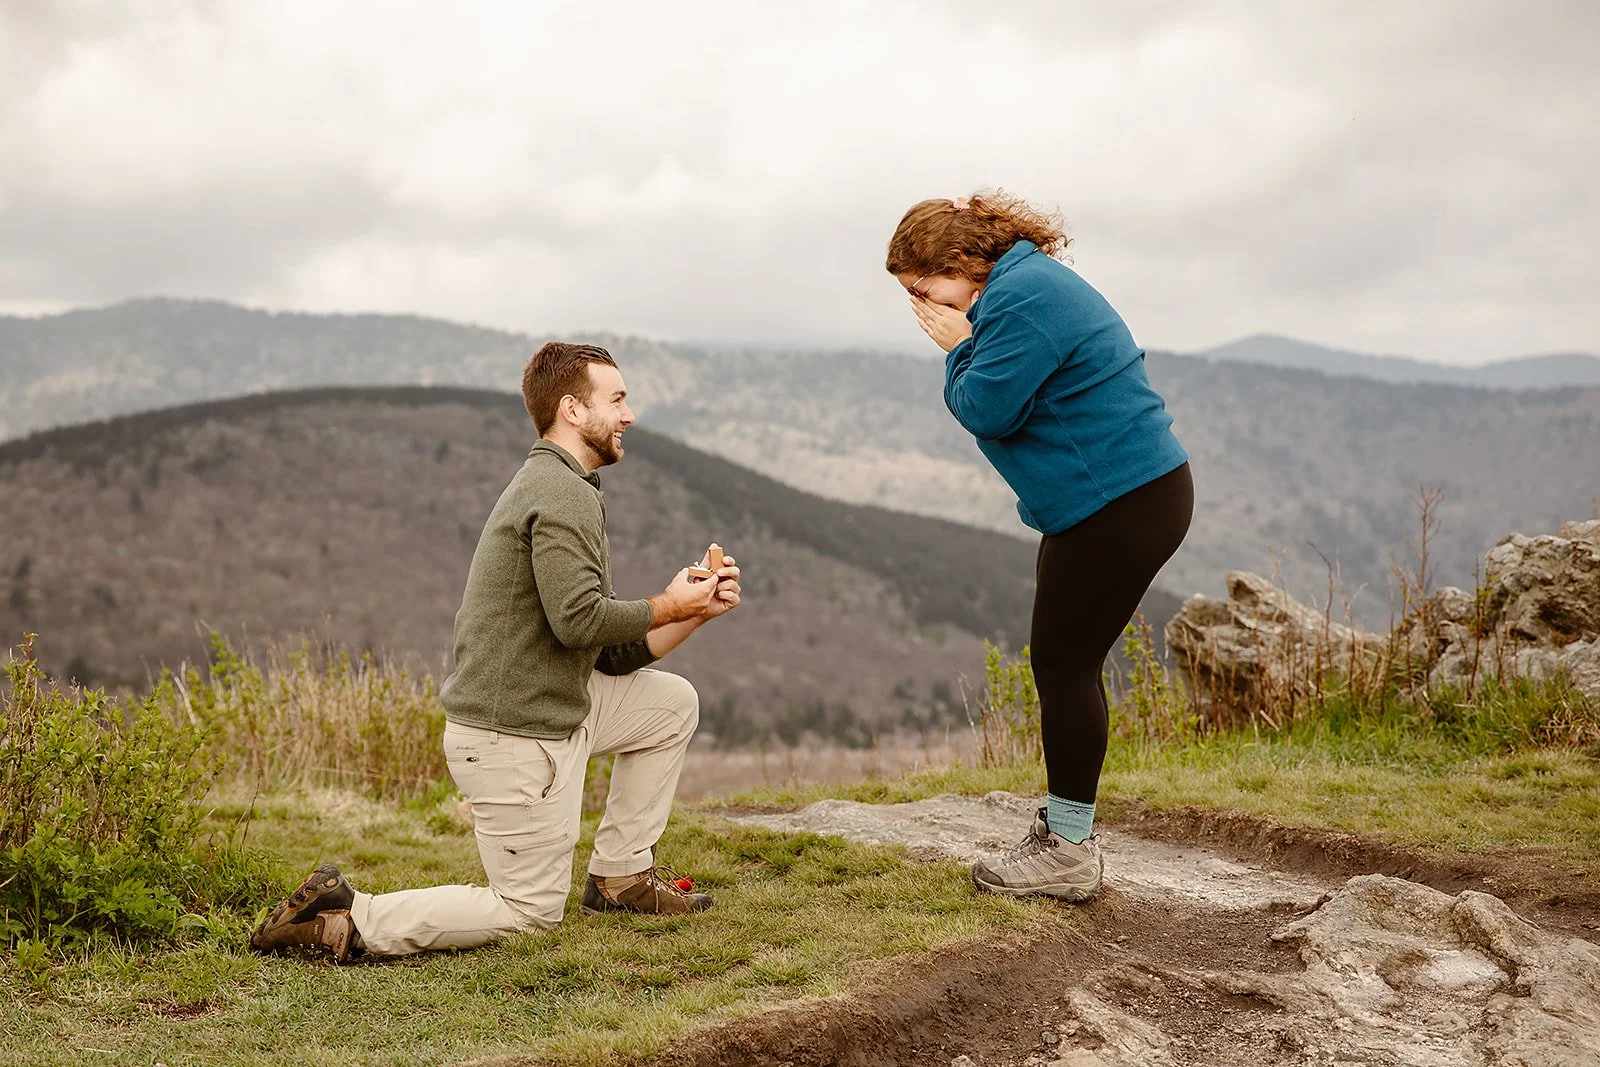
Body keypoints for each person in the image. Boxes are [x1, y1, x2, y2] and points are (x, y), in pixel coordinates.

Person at [249, 341, 741, 961]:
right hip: (513, 735)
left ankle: (621, 879)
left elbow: (605, 651)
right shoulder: (560, 493)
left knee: (670, 705)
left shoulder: (565, 485)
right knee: (529, 912)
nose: (629, 415)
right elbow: (580, 621)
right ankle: (344, 917)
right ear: (571, 409)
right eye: (617, 399)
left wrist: (692, 612)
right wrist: (668, 602)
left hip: (550, 706)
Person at [886, 192, 1193, 902]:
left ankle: (1069, 851)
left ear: (961, 263)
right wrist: (969, 345)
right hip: (1111, 499)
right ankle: (1064, 829)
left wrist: (959, 347)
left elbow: (986, 408)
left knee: (1065, 667)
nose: (919, 307)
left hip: (1121, 501)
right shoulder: (1016, 287)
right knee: (1062, 663)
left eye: (921, 289)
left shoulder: (1019, 301)